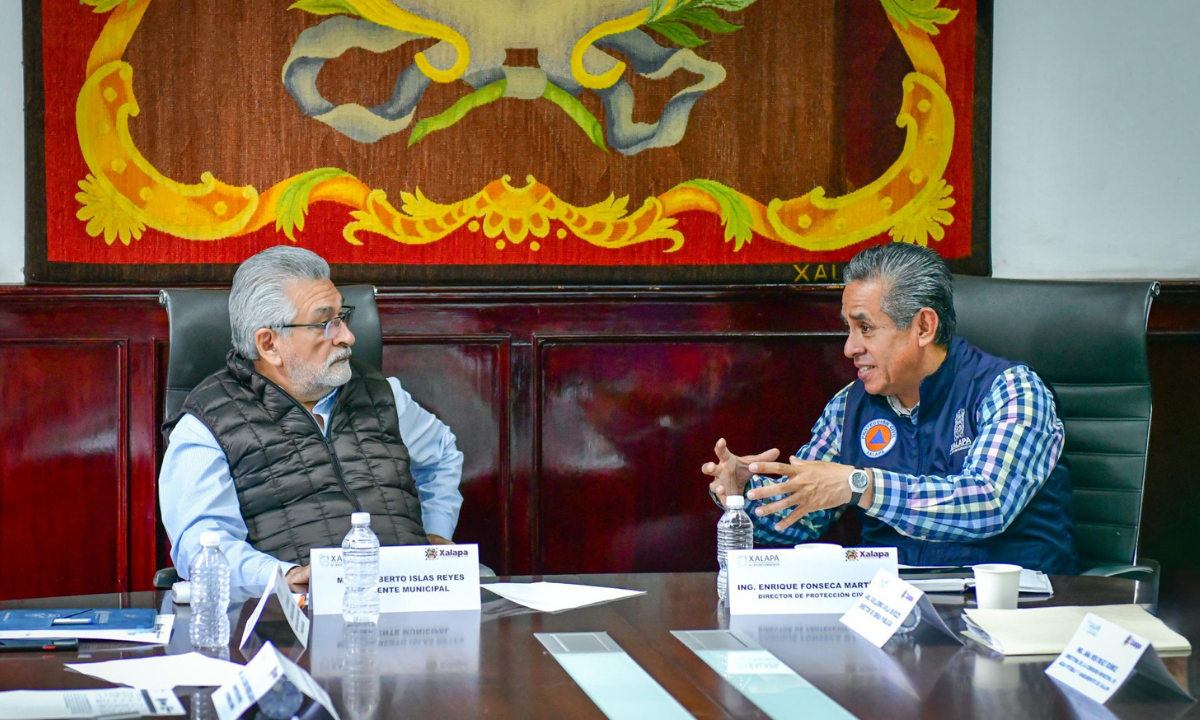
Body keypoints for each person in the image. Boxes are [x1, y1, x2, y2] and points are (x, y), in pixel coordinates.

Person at [702, 243, 1078, 573]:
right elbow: (801, 518)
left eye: (865, 328)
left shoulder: (1010, 389)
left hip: (1010, 607)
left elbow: (987, 502)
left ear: (924, 327)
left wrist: (860, 484)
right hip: (893, 608)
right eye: (849, 329)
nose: (850, 348)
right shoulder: (849, 407)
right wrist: (742, 495)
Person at [160, 246, 464, 591]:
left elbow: (442, 455)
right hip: (290, 612)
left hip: (413, 603)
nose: (347, 336)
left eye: (342, 316)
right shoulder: (208, 423)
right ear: (269, 344)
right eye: (325, 323)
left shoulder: (381, 394)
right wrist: (282, 576)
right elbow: (200, 545)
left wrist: (434, 532)